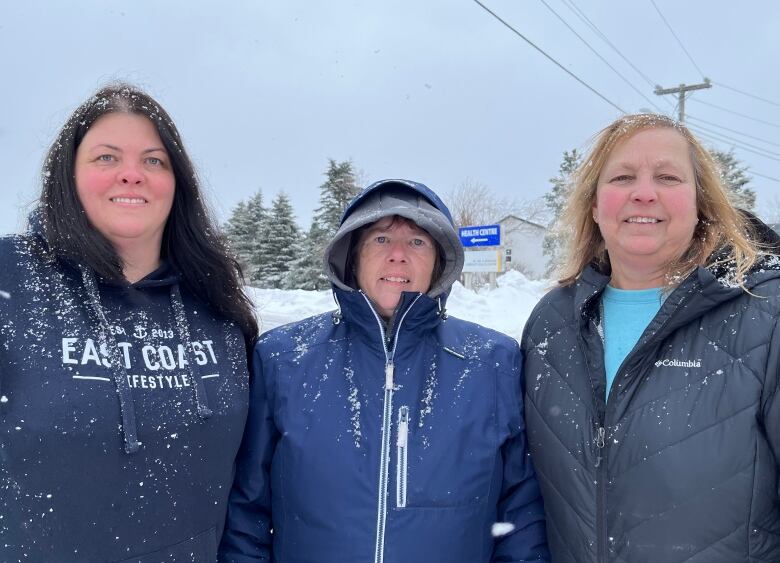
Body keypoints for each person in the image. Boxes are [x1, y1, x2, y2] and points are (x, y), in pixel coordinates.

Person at [219, 179, 549, 562]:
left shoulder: (493, 361)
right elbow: (246, 511)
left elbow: (521, 516)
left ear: (440, 262)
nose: (398, 255)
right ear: (352, 256)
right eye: (380, 239)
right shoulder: (283, 358)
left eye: (418, 241)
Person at [0, 84, 258, 561]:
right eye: (106, 158)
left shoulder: (217, 305)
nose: (131, 175)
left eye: (154, 161)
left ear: (178, 181)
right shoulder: (11, 279)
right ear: (67, 176)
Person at [522, 113, 780, 562]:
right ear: (595, 206)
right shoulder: (551, 323)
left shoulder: (765, 313)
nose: (644, 191)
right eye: (623, 176)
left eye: (667, 176)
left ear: (700, 203)